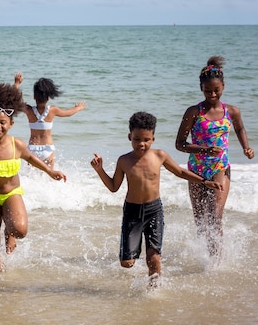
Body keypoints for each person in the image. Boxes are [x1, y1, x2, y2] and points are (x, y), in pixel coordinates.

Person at [91, 112, 223, 289]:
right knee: (127, 263)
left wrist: (205, 181)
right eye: (137, 139)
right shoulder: (124, 160)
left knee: (153, 257)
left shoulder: (160, 155)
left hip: (154, 210)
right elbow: (114, 187)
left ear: (153, 138)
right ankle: (137, 265)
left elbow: (180, 172)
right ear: (130, 137)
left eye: (146, 139)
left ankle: (154, 290)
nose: (141, 144)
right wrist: (100, 170)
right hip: (132, 212)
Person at [0, 82, 67, 272]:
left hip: (12, 193)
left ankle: (9, 232)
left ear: (10, 124)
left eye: (2, 122)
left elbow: (32, 159)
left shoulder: (16, 144)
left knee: (19, 230)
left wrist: (50, 171)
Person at [175, 56, 254, 258]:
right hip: (196, 171)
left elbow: (240, 128)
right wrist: (203, 150)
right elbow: (180, 144)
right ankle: (205, 258)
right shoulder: (193, 112)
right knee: (200, 220)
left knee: (215, 217)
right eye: (207, 90)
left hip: (220, 168)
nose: (212, 94)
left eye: (216, 90)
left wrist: (246, 147)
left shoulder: (232, 111)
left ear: (223, 87)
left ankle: (217, 262)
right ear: (201, 88)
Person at [14, 72, 86, 169]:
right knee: (50, 175)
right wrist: (78, 108)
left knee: (32, 176)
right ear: (48, 98)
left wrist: (17, 83)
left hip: (32, 150)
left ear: (34, 96)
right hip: (47, 149)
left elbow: (16, 100)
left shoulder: (29, 110)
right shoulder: (52, 110)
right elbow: (68, 113)